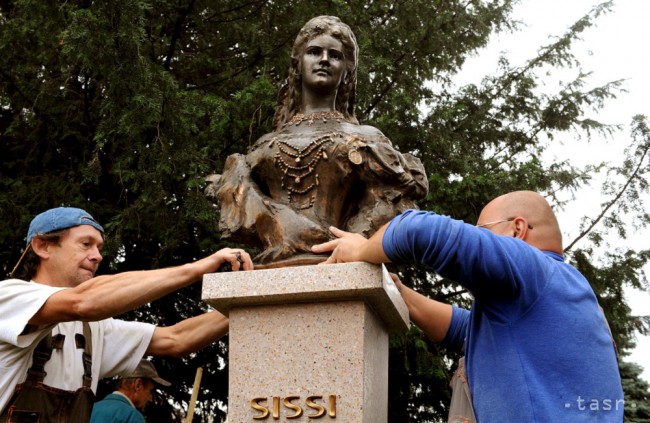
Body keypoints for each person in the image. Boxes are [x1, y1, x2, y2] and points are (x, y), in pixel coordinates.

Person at [312, 191, 624, 421]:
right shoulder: (568, 293)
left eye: (483, 230)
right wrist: (401, 293)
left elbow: (419, 231)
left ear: (517, 229)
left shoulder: (535, 270)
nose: (478, 237)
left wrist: (362, 248)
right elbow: (467, 330)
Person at [206, 15, 427, 267]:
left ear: (347, 72)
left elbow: (392, 200)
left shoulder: (367, 138)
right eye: (314, 52)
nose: (324, 59)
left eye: (335, 55)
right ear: (298, 65)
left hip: (341, 268)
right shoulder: (264, 144)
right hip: (269, 270)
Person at [0, 207, 253, 422]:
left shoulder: (92, 328)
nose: (97, 256)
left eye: (99, 247)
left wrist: (254, 298)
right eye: (85, 244)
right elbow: (84, 301)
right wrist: (199, 268)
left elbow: (177, 339)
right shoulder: (9, 298)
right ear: (43, 246)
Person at [90, 359, 171, 423]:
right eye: (150, 391)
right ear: (138, 385)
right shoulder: (132, 417)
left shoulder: (91, 409)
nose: (150, 398)